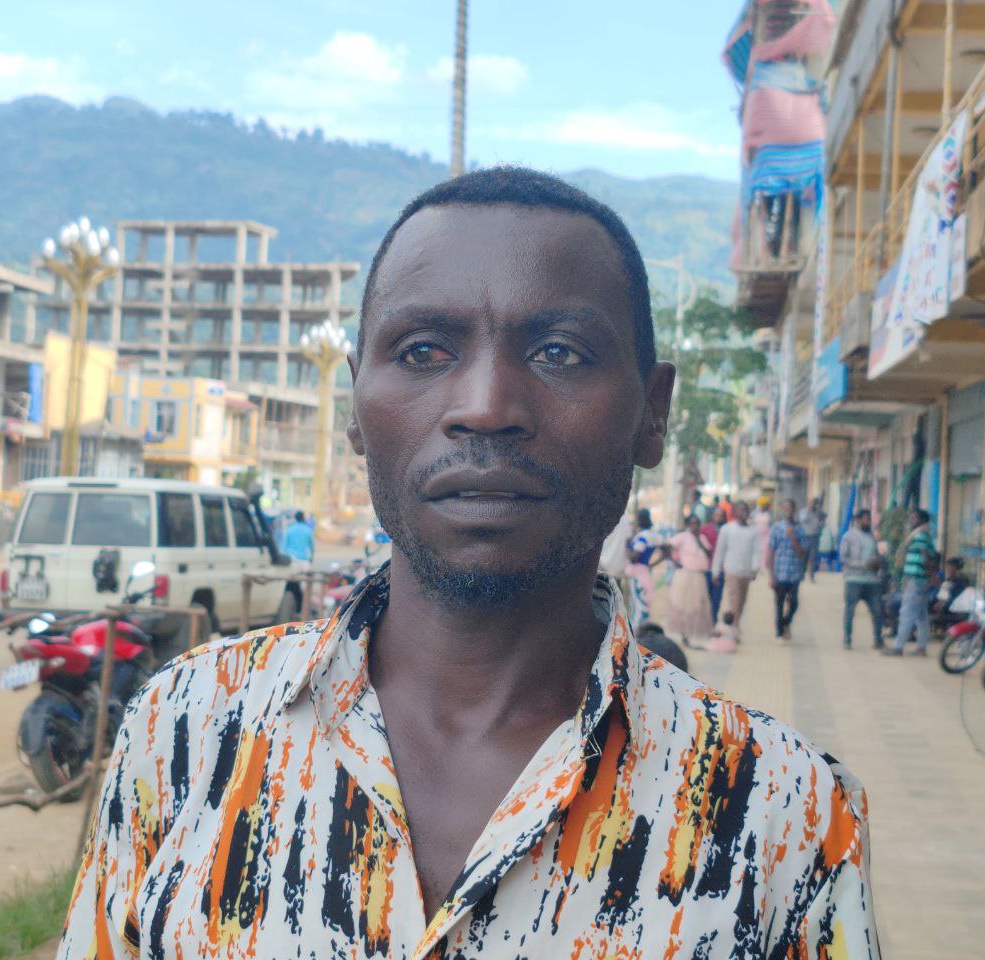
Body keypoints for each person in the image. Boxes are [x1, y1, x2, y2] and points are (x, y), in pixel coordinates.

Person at [62, 167, 877, 958]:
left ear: (651, 414)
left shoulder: (784, 808)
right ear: (356, 407)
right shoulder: (186, 730)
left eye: (560, 352)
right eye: (423, 351)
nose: (485, 407)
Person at [886, 509, 938, 656]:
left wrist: (927, 575)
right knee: (921, 615)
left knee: (906, 612)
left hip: (917, 579)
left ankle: (898, 647)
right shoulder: (924, 535)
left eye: (914, 518)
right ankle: (921, 647)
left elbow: (925, 557)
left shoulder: (920, 536)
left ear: (922, 520)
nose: (911, 520)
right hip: (919, 579)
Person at [711, 501, 764, 632]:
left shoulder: (753, 531)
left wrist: (755, 569)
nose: (743, 513)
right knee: (734, 600)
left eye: (745, 510)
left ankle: (735, 624)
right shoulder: (727, 529)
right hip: (731, 570)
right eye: (740, 510)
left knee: (741, 601)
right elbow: (720, 551)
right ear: (734, 512)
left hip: (746, 571)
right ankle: (733, 630)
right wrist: (715, 571)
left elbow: (756, 552)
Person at [663, 514, 713, 644]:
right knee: (683, 605)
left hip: (699, 576)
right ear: (687, 525)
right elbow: (666, 546)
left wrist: (698, 540)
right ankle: (683, 634)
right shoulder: (682, 536)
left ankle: (691, 635)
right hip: (685, 575)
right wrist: (674, 561)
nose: (695, 526)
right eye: (692, 523)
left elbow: (708, 553)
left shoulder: (702, 538)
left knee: (696, 605)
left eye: (697, 523)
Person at [840, 509, 884, 649]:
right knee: (850, 611)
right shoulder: (849, 536)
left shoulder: (872, 537)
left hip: (872, 580)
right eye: (866, 519)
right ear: (858, 520)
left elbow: (877, 555)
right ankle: (847, 639)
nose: (868, 522)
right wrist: (863, 564)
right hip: (854, 579)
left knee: (877, 611)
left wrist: (878, 562)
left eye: (869, 519)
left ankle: (878, 640)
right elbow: (843, 558)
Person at [767, 498, 809, 640]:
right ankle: (779, 630)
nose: (788, 511)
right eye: (785, 508)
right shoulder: (776, 528)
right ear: (782, 510)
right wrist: (771, 575)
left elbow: (802, 553)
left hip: (794, 573)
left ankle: (786, 621)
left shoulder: (800, 529)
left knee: (794, 603)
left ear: (794, 510)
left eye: (790, 508)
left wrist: (793, 538)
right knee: (779, 603)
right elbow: (771, 550)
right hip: (780, 572)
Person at [625, 508, 663, 630]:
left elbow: (634, 558)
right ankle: (642, 630)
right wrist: (653, 564)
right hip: (645, 572)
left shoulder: (642, 537)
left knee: (638, 605)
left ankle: (637, 632)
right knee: (643, 603)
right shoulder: (654, 535)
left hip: (636, 574)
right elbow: (667, 550)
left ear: (639, 519)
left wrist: (627, 546)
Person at [281, 509, 316, 612]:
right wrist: (311, 559)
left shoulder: (289, 530)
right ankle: (305, 609)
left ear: (295, 519)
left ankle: (295, 608)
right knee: (305, 586)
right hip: (304, 560)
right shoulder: (308, 530)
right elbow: (312, 547)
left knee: (292, 586)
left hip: (292, 561)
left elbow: (283, 547)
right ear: (303, 518)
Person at [701, 506, 726, 622]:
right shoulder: (705, 529)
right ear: (712, 516)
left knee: (716, 598)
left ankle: (713, 621)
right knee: (704, 596)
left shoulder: (726, 529)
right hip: (706, 567)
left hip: (721, 569)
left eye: (721, 515)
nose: (719, 518)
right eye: (716, 515)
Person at [800, 498, 827, 582]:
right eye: (812, 503)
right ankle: (801, 575)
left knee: (813, 557)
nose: (813, 505)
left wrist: (820, 520)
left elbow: (823, 524)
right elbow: (802, 520)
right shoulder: (804, 511)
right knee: (804, 557)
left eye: (815, 503)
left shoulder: (819, 512)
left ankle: (811, 575)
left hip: (815, 536)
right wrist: (809, 511)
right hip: (805, 536)